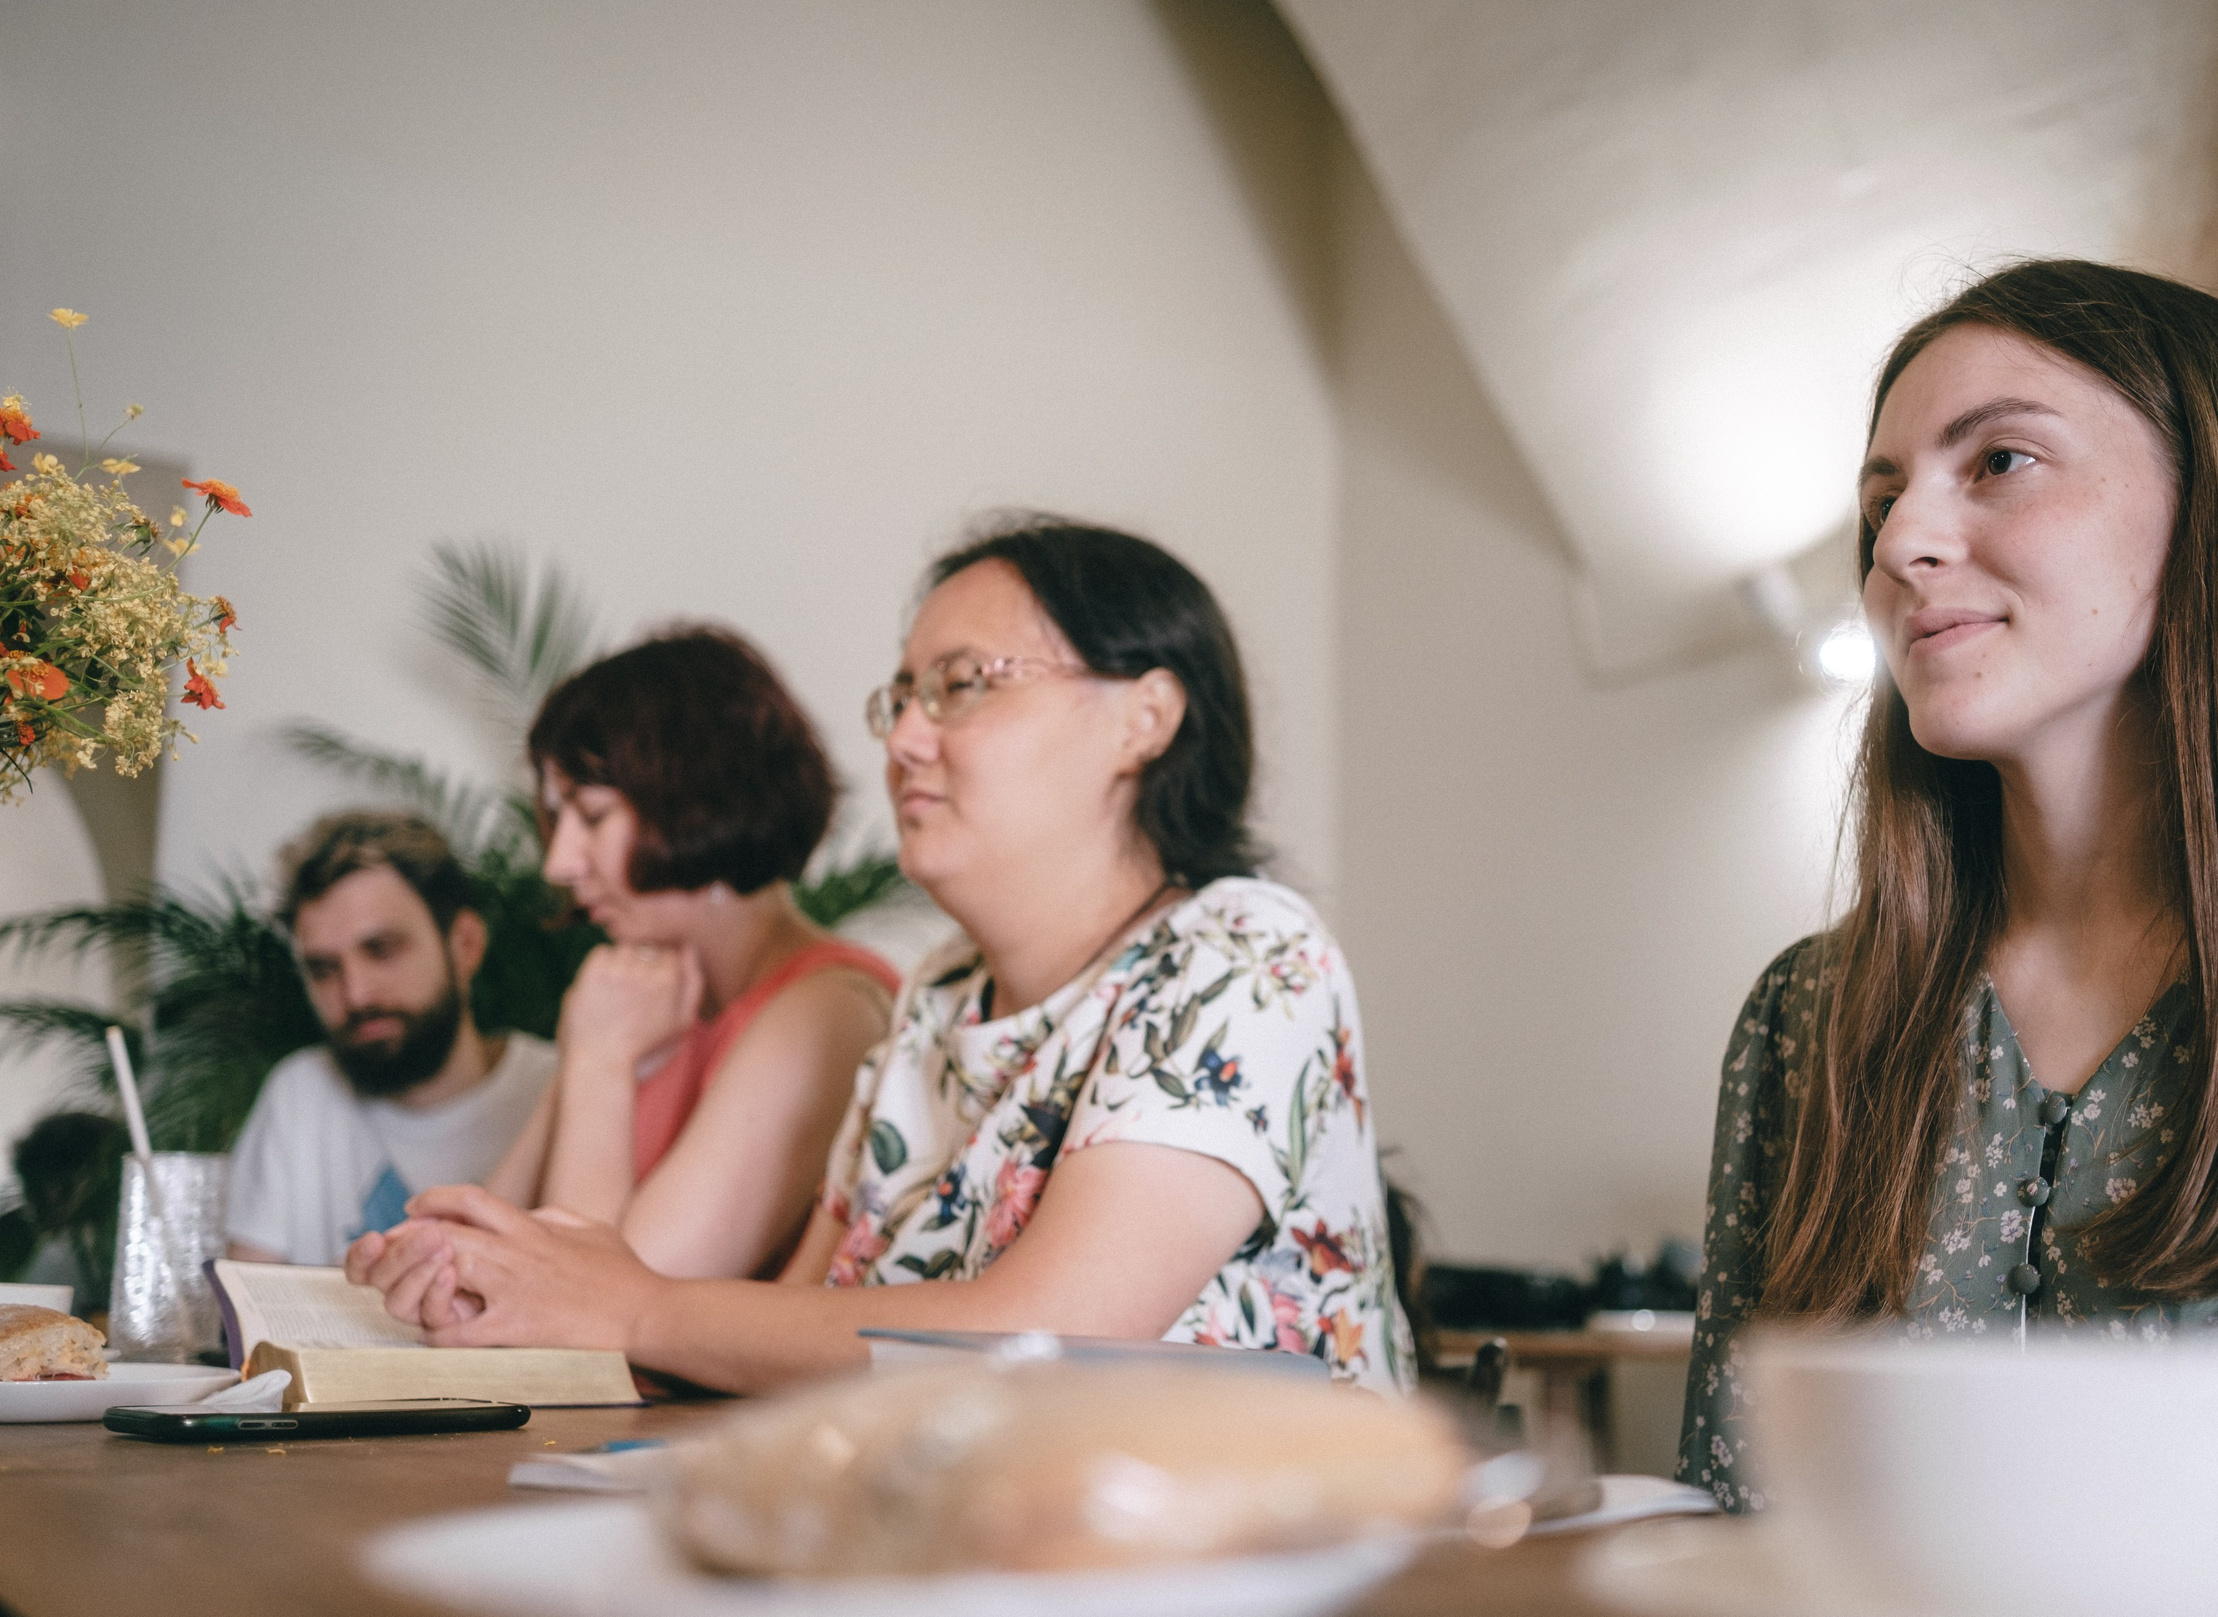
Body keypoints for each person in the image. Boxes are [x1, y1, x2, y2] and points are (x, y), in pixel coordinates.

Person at [1677, 258, 2218, 1570]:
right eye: (1883, 496)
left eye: (1999, 462)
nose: (1900, 541)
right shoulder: (1807, 1020)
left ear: (2213, 509)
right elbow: (1737, 1546)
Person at [350, 520, 1414, 1393]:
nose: (904, 736)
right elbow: (795, 1327)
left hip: (1237, 1578)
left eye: (962, 684)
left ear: (1144, 716)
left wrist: (629, 1304)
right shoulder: (942, 997)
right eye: (902, 697)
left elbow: (1055, 1332)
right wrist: (496, 1287)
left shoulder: (1241, 952)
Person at [478, 628, 899, 1281]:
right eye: (556, 821)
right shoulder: (646, 992)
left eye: (591, 816)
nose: (560, 862)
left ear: (698, 802)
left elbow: (603, 1307)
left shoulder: (827, 1010)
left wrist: (597, 1060)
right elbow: (471, 1241)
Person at [225, 813, 556, 1266]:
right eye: (323, 969)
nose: (356, 994)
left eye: (381, 950)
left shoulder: (559, 1091)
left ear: (465, 944)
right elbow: (246, 1316)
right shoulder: (299, 1095)